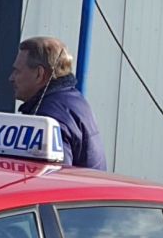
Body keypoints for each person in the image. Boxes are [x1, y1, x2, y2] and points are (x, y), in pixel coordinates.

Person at [11, 35, 106, 169]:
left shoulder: (48, 120)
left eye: (17, 71)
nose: (11, 78)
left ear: (39, 74)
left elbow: (54, 179)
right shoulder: (74, 100)